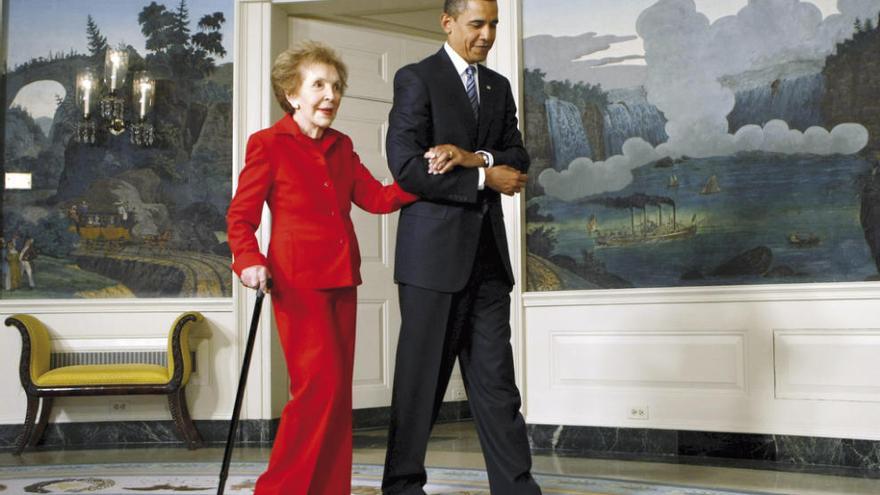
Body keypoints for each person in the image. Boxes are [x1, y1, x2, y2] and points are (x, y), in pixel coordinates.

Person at [226, 42, 417, 494]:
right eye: (318, 85)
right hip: (297, 284)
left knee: (336, 397)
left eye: (335, 86)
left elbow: (375, 197)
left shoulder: (341, 145)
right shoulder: (268, 145)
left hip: (342, 279)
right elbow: (240, 217)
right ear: (292, 94)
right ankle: (277, 490)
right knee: (316, 392)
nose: (330, 95)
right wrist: (249, 261)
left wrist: (425, 178)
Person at [381, 1, 540, 494]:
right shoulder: (416, 79)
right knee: (420, 384)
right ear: (447, 22)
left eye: (493, 24)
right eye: (478, 24)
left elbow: (517, 157)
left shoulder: (499, 87)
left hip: (489, 260)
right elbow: (407, 167)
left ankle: (517, 490)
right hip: (432, 262)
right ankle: (402, 488)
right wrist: (482, 179)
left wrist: (475, 160)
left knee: (497, 385)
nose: (488, 34)